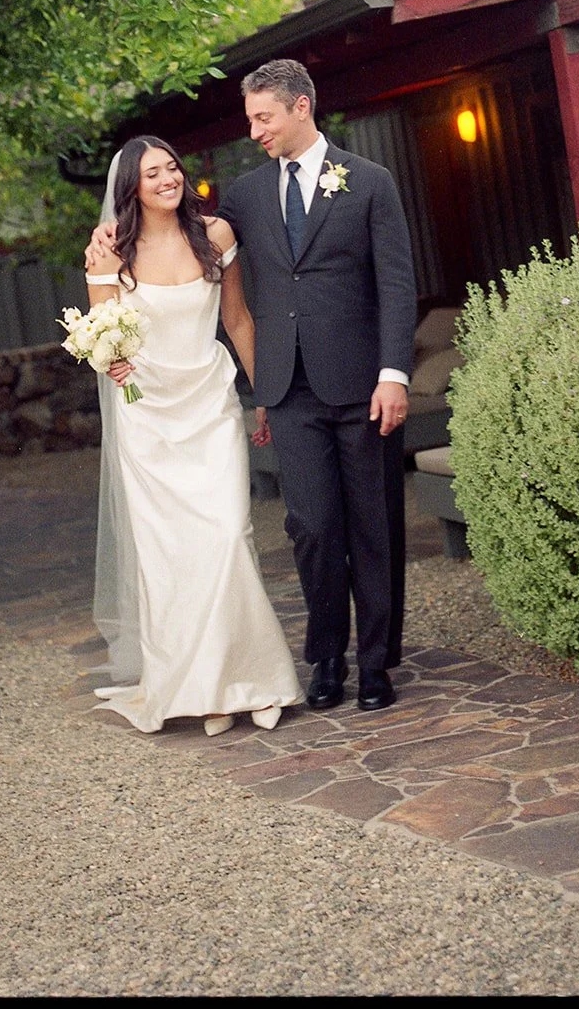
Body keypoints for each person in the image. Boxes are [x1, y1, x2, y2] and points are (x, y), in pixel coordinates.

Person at [88, 59, 418, 713]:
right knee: (313, 528)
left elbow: (398, 285)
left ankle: (377, 664)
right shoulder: (242, 197)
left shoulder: (371, 183)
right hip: (288, 389)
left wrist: (394, 373)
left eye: (263, 117)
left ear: (301, 107)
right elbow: (186, 238)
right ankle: (326, 658)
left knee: (374, 527)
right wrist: (109, 232)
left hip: (362, 386)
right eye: (249, 119)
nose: (255, 130)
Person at [83, 134, 302, 736]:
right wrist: (112, 362)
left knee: (229, 536)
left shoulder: (216, 236)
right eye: (151, 173)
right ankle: (205, 691)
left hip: (210, 404)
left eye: (173, 167)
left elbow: (237, 320)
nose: (166, 179)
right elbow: (103, 341)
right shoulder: (107, 255)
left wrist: (264, 398)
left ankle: (256, 679)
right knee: (172, 557)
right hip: (148, 419)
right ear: (132, 187)